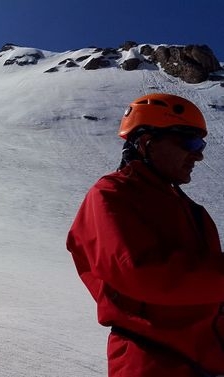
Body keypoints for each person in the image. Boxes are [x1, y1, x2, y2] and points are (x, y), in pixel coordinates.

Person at [66, 93, 224, 376]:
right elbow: (140, 273)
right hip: (151, 364)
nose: (198, 154)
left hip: (207, 361)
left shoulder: (195, 212)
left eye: (200, 144)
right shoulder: (112, 195)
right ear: (146, 142)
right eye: (189, 141)